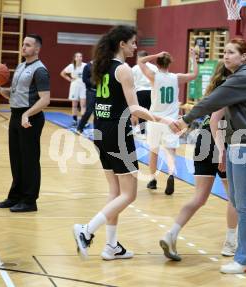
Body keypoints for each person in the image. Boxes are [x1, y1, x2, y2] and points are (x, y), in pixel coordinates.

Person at [170, 38, 246, 274]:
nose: (225, 56)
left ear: (244, 57)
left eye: (231, 52)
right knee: (237, 201)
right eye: (224, 52)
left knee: (244, 205)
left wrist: (185, 119)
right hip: (241, 144)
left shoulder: (243, 78)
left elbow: (211, 101)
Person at [72, 25, 171, 260]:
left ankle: (111, 246)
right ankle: (86, 231)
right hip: (117, 133)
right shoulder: (123, 69)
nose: (136, 47)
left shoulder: (101, 66)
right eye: (133, 42)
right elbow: (134, 107)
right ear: (122, 44)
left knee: (115, 191)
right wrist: (163, 119)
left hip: (100, 131)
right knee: (129, 194)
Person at [159, 61, 238, 261]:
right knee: (234, 199)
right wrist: (221, 150)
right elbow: (216, 122)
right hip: (219, 141)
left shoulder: (213, 88)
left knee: (199, 198)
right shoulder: (233, 87)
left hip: (202, 140)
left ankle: (172, 234)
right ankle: (230, 243)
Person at [0, 34, 50, 212]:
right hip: (16, 115)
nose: (23, 47)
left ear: (37, 49)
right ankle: (15, 196)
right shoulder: (20, 66)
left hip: (31, 118)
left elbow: (45, 99)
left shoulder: (40, 70)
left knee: (30, 160)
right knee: (17, 159)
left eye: (28, 45)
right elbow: (15, 92)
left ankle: (29, 201)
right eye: (23, 44)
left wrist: (27, 114)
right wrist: (3, 90)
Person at [139, 51, 198, 195]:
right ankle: (171, 175)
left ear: (157, 64)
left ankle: (153, 180)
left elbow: (140, 61)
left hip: (155, 120)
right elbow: (194, 74)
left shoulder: (153, 76)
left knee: (154, 151)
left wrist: (156, 54)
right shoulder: (176, 78)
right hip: (171, 121)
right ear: (169, 63)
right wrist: (193, 59)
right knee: (170, 152)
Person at [132, 50, 158, 135]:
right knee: (150, 113)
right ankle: (151, 132)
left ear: (139, 57)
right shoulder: (154, 67)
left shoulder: (135, 68)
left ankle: (143, 132)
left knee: (142, 113)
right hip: (152, 92)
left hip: (140, 92)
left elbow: (131, 82)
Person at [60, 52, 87, 126]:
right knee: (74, 104)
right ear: (75, 58)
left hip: (83, 87)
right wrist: (69, 79)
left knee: (83, 105)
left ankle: (83, 122)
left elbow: (90, 74)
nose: (79, 58)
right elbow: (62, 73)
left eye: (81, 56)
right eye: (77, 56)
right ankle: (74, 120)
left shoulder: (85, 66)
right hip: (74, 86)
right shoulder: (71, 66)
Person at [76, 60, 95, 134]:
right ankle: (79, 128)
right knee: (89, 111)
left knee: (98, 112)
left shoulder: (101, 66)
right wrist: (94, 81)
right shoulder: (87, 66)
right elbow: (84, 79)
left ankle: (96, 129)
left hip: (100, 92)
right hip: (90, 91)